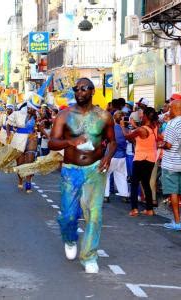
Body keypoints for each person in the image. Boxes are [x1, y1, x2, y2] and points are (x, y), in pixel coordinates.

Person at [48, 77, 116, 274]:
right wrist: (71, 142)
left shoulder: (104, 116)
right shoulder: (64, 115)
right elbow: (52, 142)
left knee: (94, 214)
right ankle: (69, 238)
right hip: (71, 170)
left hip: (95, 169)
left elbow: (112, 141)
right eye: (76, 89)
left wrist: (108, 157)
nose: (79, 92)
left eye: (83, 89)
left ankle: (89, 256)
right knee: (69, 216)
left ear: (92, 91)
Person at [160, 100, 181, 231]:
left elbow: (168, 145)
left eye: (170, 108)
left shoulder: (172, 124)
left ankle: (177, 222)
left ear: (173, 108)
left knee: (173, 192)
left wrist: (160, 144)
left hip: (171, 163)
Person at [121, 107, 159, 217]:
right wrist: (134, 126)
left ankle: (134, 209)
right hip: (151, 158)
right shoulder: (154, 127)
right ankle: (149, 209)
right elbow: (141, 137)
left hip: (140, 158)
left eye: (142, 114)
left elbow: (127, 136)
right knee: (146, 183)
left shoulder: (141, 129)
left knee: (134, 183)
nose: (141, 116)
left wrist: (123, 127)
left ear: (146, 116)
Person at [104, 111, 129, 203]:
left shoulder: (111, 129)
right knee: (121, 176)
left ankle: (105, 195)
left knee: (105, 175)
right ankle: (125, 195)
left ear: (114, 118)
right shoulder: (125, 130)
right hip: (122, 156)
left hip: (111, 156)